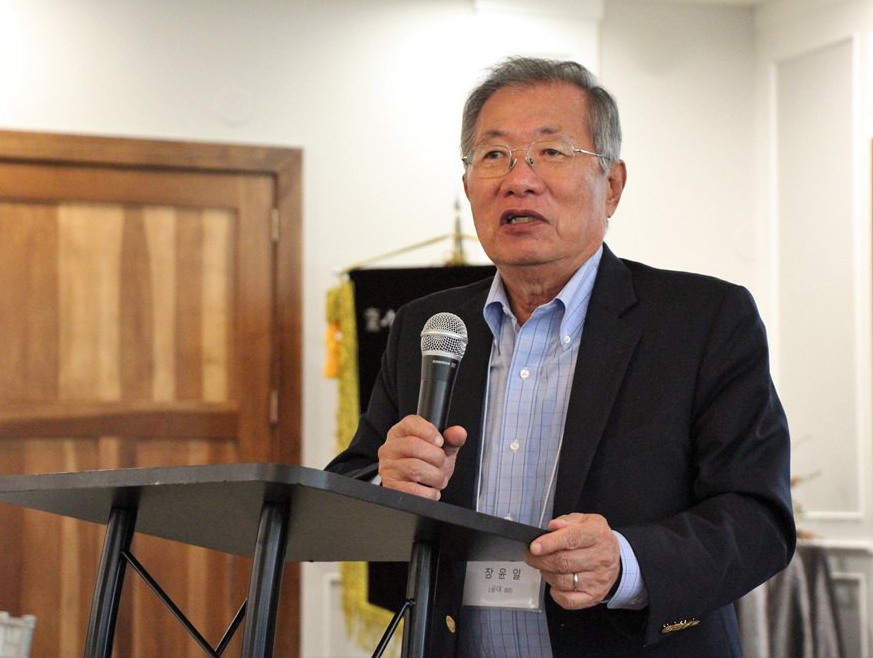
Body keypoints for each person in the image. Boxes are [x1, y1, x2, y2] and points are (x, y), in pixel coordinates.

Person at [327, 56, 795, 657]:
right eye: (494, 155)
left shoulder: (704, 321)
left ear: (612, 185)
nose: (518, 180)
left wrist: (626, 563)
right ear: (468, 185)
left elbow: (757, 518)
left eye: (551, 152)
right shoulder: (428, 325)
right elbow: (348, 486)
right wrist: (389, 481)